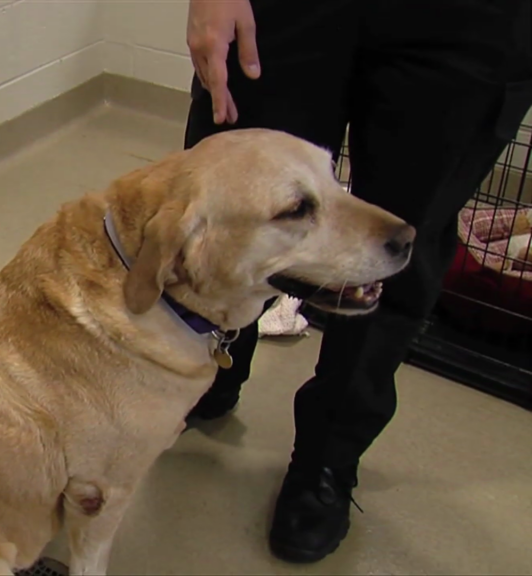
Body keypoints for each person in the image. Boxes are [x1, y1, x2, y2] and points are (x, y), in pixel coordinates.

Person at [182, 0, 532, 564]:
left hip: (470, 21)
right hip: (288, 11)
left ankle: (327, 457)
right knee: (229, 204)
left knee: (398, 242)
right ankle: (207, 375)